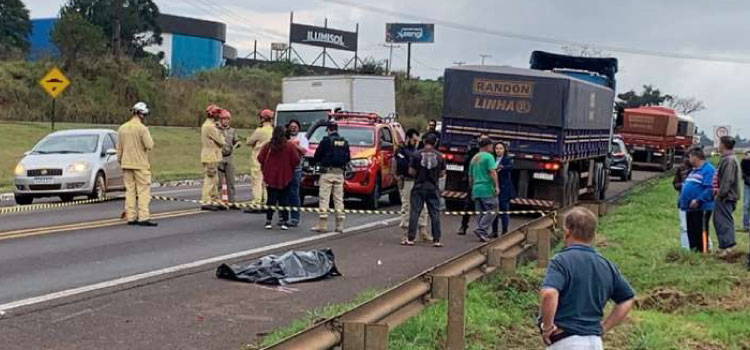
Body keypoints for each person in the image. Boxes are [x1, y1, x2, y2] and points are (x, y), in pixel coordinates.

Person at [539, 206, 635, 349]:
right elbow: (627, 298)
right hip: (594, 342)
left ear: (567, 233)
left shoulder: (561, 261)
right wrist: (604, 327)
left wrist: (547, 328)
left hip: (566, 341)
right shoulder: (606, 265)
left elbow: (549, 294)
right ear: (593, 235)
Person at [116, 102, 157, 227]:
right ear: (142, 115)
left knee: (130, 191)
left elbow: (119, 148)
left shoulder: (122, 128)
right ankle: (144, 216)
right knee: (143, 191)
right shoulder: (142, 129)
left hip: (126, 163)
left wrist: (121, 160)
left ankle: (131, 216)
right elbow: (149, 145)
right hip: (140, 164)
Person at [403, 134, 446, 247]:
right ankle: (436, 239)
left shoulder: (416, 154)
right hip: (432, 187)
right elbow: (442, 173)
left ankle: (410, 238)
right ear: (435, 143)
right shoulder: (440, 156)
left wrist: (419, 174)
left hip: (419, 186)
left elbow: (411, 171)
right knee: (435, 213)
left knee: (415, 212)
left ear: (424, 141)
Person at [257, 126, 301, 230]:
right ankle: (285, 221)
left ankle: (268, 220)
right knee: (284, 200)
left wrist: (267, 168)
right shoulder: (289, 146)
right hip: (285, 176)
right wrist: (289, 167)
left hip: (270, 176)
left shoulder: (268, 146)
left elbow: (260, 158)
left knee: (271, 200)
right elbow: (296, 160)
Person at [311, 122, 351, 233]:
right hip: (339, 174)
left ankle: (322, 224)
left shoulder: (325, 141)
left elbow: (317, 156)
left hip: (327, 173)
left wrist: (317, 164)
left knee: (324, 198)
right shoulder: (344, 142)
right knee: (338, 199)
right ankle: (340, 225)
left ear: (328, 130)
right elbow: (348, 158)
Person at [395, 128, 431, 244]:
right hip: (407, 181)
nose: (416, 142)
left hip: (418, 181)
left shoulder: (417, 151)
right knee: (407, 207)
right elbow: (403, 165)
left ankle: (423, 231)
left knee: (423, 207)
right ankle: (405, 234)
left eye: (417, 141)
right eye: (414, 140)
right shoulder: (401, 151)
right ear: (408, 138)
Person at [679, 147, 715, 253]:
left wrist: (698, 200)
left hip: (701, 207)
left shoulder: (708, 170)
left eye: (690, 157)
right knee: (691, 231)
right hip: (690, 208)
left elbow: (710, 188)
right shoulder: (694, 170)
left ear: (695, 157)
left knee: (700, 230)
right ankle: (694, 251)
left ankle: (703, 251)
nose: (689, 159)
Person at [457, 133, 488, 235]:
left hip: (485, 182)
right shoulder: (473, 153)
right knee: (468, 204)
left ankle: (483, 229)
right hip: (474, 181)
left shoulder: (490, 154)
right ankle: (463, 226)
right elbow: (467, 166)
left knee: (486, 206)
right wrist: (467, 178)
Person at [713, 136, 739, 257]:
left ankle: (728, 247)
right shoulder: (726, 159)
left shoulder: (729, 160)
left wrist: (720, 194)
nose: (718, 146)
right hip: (724, 196)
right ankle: (723, 245)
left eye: (720, 143)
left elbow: (727, 180)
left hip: (726, 197)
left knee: (724, 221)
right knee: (718, 220)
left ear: (723, 145)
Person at [469, 138, 499, 242]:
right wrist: (496, 186)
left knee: (480, 212)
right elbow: (492, 172)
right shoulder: (489, 157)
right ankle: (482, 230)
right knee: (493, 210)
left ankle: (482, 233)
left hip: (476, 188)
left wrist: (472, 189)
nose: (492, 148)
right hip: (486, 187)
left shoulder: (474, 158)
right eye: (491, 146)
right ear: (487, 146)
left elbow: (470, 176)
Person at [245, 109, 274, 212]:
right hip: (269, 160)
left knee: (256, 181)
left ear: (262, 118)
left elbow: (249, 141)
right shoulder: (273, 131)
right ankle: (266, 202)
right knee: (266, 183)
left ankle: (256, 203)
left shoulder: (260, 131)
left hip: (258, 158)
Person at [200, 104, 226, 211]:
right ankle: (206, 200)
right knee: (210, 180)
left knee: (214, 180)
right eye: (217, 114)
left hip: (212, 155)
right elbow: (221, 141)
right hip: (211, 156)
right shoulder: (210, 127)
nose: (219, 116)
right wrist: (220, 130)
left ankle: (214, 199)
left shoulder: (209, 125)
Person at [286, 119, 309, 227]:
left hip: (296, 169)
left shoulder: (302, 138)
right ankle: (284, 217)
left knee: (294, 193)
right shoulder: (285, 137)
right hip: (285, 169)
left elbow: (304, 151)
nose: (293, 128)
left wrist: (293, 145)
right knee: (284, 193)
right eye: (291, 127)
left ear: (299, 128)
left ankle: (295, 218)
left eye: (295, 127)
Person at [217, 109, 240, 205]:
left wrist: (237, 144)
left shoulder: (232, 131)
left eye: (227, 119)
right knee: (218, 182)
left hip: (229, 157)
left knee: (231, 182)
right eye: (223, 119)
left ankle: (232, 201)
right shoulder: (216, 130)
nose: (225, 121)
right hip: (219, 157)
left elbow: (237, 141)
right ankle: (218, 201)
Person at [491, 141, 514, 238]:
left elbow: (511, 167)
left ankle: (504, 231)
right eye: (497, 148)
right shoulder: (492, 158)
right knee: (494, 210)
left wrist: (502, 168)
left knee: (504, 209)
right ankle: (494, 231)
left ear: (504, 150)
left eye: (500, 148)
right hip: (493, 187)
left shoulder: (507, 159)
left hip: (504, 188)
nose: (498, 151)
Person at [673, 156, 693, 249]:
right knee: (684, 227)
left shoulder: (700, 170)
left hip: (697, 202)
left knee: (698, 227)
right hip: (683, 201)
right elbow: (675, 184)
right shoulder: (681, 169)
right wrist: (684, 185)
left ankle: (705, 247)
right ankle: (685, 248)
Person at [741, 150, 750, 232]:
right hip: (747, 184)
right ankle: (746, 225)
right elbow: (743, 173)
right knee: (746, 205)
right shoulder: (745, 161)